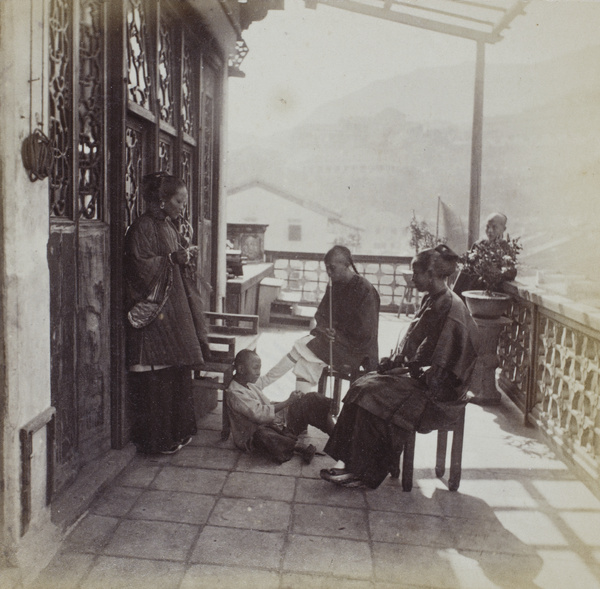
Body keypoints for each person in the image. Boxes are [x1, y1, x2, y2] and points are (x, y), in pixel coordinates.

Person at [320, 245, 478, 489]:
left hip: (439, 392)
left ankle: (364, 472)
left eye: (416, 274)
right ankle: (351, 464)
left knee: (370, 395)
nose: (412, 278)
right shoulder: (434, 299)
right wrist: (394, 364)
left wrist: (408, 374)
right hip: (428, 379)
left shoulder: (449, 306)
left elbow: (444, 364)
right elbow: (415, 341)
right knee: (363, 385)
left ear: (432, 274)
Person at [124, 172, 210, 455]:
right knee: (158, 377)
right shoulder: (143, 227)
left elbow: (174, 260)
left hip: (174, 310)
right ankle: (157, 441)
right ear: (161, 201)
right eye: (179, 200)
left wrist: (182, 257)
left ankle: (177, 432)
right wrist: (172, 259)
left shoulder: (169, 226)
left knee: (176, 369)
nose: (182, 206)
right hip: (156, 314)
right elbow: (138, 266)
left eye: (183, 201)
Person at [266, 245, 380, 392]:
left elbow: (366, 331)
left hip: (357, 350)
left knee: (304, 346)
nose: (328, 272)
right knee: (306, 360)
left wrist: (337, 334)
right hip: (336, 342)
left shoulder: (365, 290)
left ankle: (265, 383)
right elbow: (322, 315)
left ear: (346, 265)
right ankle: (301, 404)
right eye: (327, 268)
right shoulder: (334, 285)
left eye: (332, 268)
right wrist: (326, 329)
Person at [226, 349, 336, 464]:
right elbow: (260, 415)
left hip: (276, 425)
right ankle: (297, 446)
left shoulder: (248, 381)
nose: (258, 372)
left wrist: (294, 401)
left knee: (311, 399)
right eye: (255, 368)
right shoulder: (235, 393)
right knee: (263, 435)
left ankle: (336, 436)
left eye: (259, 367)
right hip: (253, 437)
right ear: (241, 369)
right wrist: (288, 401)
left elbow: (267, 379)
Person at [453, 212, 517, 297]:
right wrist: (454, 293)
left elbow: (511, 272)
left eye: (494, 227)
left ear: (503, 229)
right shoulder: (479, 244)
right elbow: (464, 271)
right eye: (487, 227)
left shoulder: (506, 248)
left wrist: (497, 273)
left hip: (493, 294)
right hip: (472, 292)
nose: (490, 230)